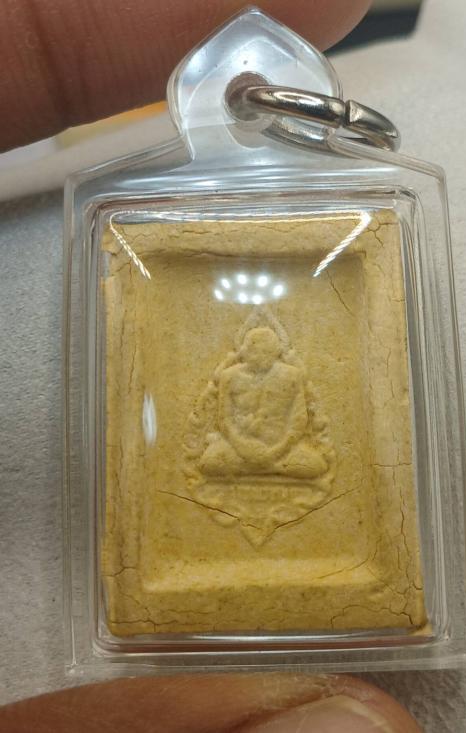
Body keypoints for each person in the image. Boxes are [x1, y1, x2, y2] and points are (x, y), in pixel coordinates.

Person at [0, 1, 422, 730]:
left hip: (282, 461)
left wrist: (273, 451)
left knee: (302, 460)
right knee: (219, 455)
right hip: (236, 459)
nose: (256, 352)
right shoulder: (227, 374)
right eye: (250, 347)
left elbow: (298, 428)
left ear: (273, 346)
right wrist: (248, 447)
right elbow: (217, 425)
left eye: (263, 347)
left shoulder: (289, 374)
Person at [200, 327, 328, 479]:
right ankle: (272, 469)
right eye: (254, 351)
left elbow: (298, 422)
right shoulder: (229, 376)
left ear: (276, 352)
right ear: (244, 352)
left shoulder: (292, 376)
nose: (259, 357)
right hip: (240, 448)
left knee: (316, 465)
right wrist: (242, 447)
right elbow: (224, 420)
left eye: (266, 352)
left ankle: (262, 467)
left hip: (281, 449)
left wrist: (276, 451)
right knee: (209, 462)